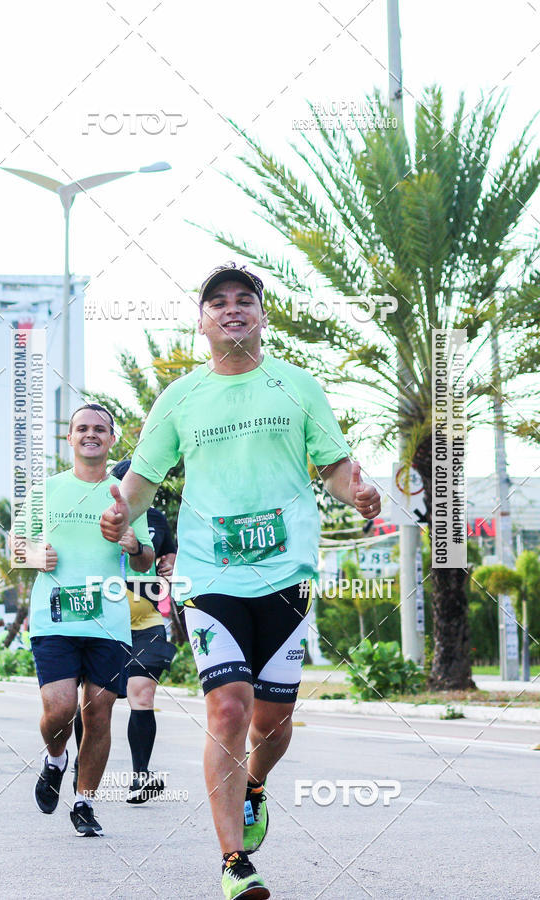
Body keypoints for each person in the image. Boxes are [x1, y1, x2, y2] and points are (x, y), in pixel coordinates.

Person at [100, 263, 382, 899]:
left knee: (273, 722)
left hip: (287, 572)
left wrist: (358, 492)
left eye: (244, 299)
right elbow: (139, 484)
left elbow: (336, 467)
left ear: (262, 316)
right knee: (229, 707)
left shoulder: (297, 386)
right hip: (209, 576)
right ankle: (234, 862)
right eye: (218, 302)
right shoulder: (180, 398)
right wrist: (120, 514)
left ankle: (253, 782)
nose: (232, 308)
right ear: (201, 322)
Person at [21, 404, 153, 836]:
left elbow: (146, 562)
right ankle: (55, 759)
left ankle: (84, 802)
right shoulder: (46, 490)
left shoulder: (126, 496)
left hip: (107, 621)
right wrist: (34, 555)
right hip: (54, 617)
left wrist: (134, 546)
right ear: (70, 438)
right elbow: (17, 546)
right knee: (60, 710)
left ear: (112, 439)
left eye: (99, 428)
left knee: (98, 713)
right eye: (82, 428)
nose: (90, 434)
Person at [112, 459, 177, 804]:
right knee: (93, 703)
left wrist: (171, 563)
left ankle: (140, 776)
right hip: (104, 622)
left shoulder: (156, 519)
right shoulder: (100, 518)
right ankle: (81, 769)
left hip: (147, 621)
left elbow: (169, 556)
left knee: (142, 695)